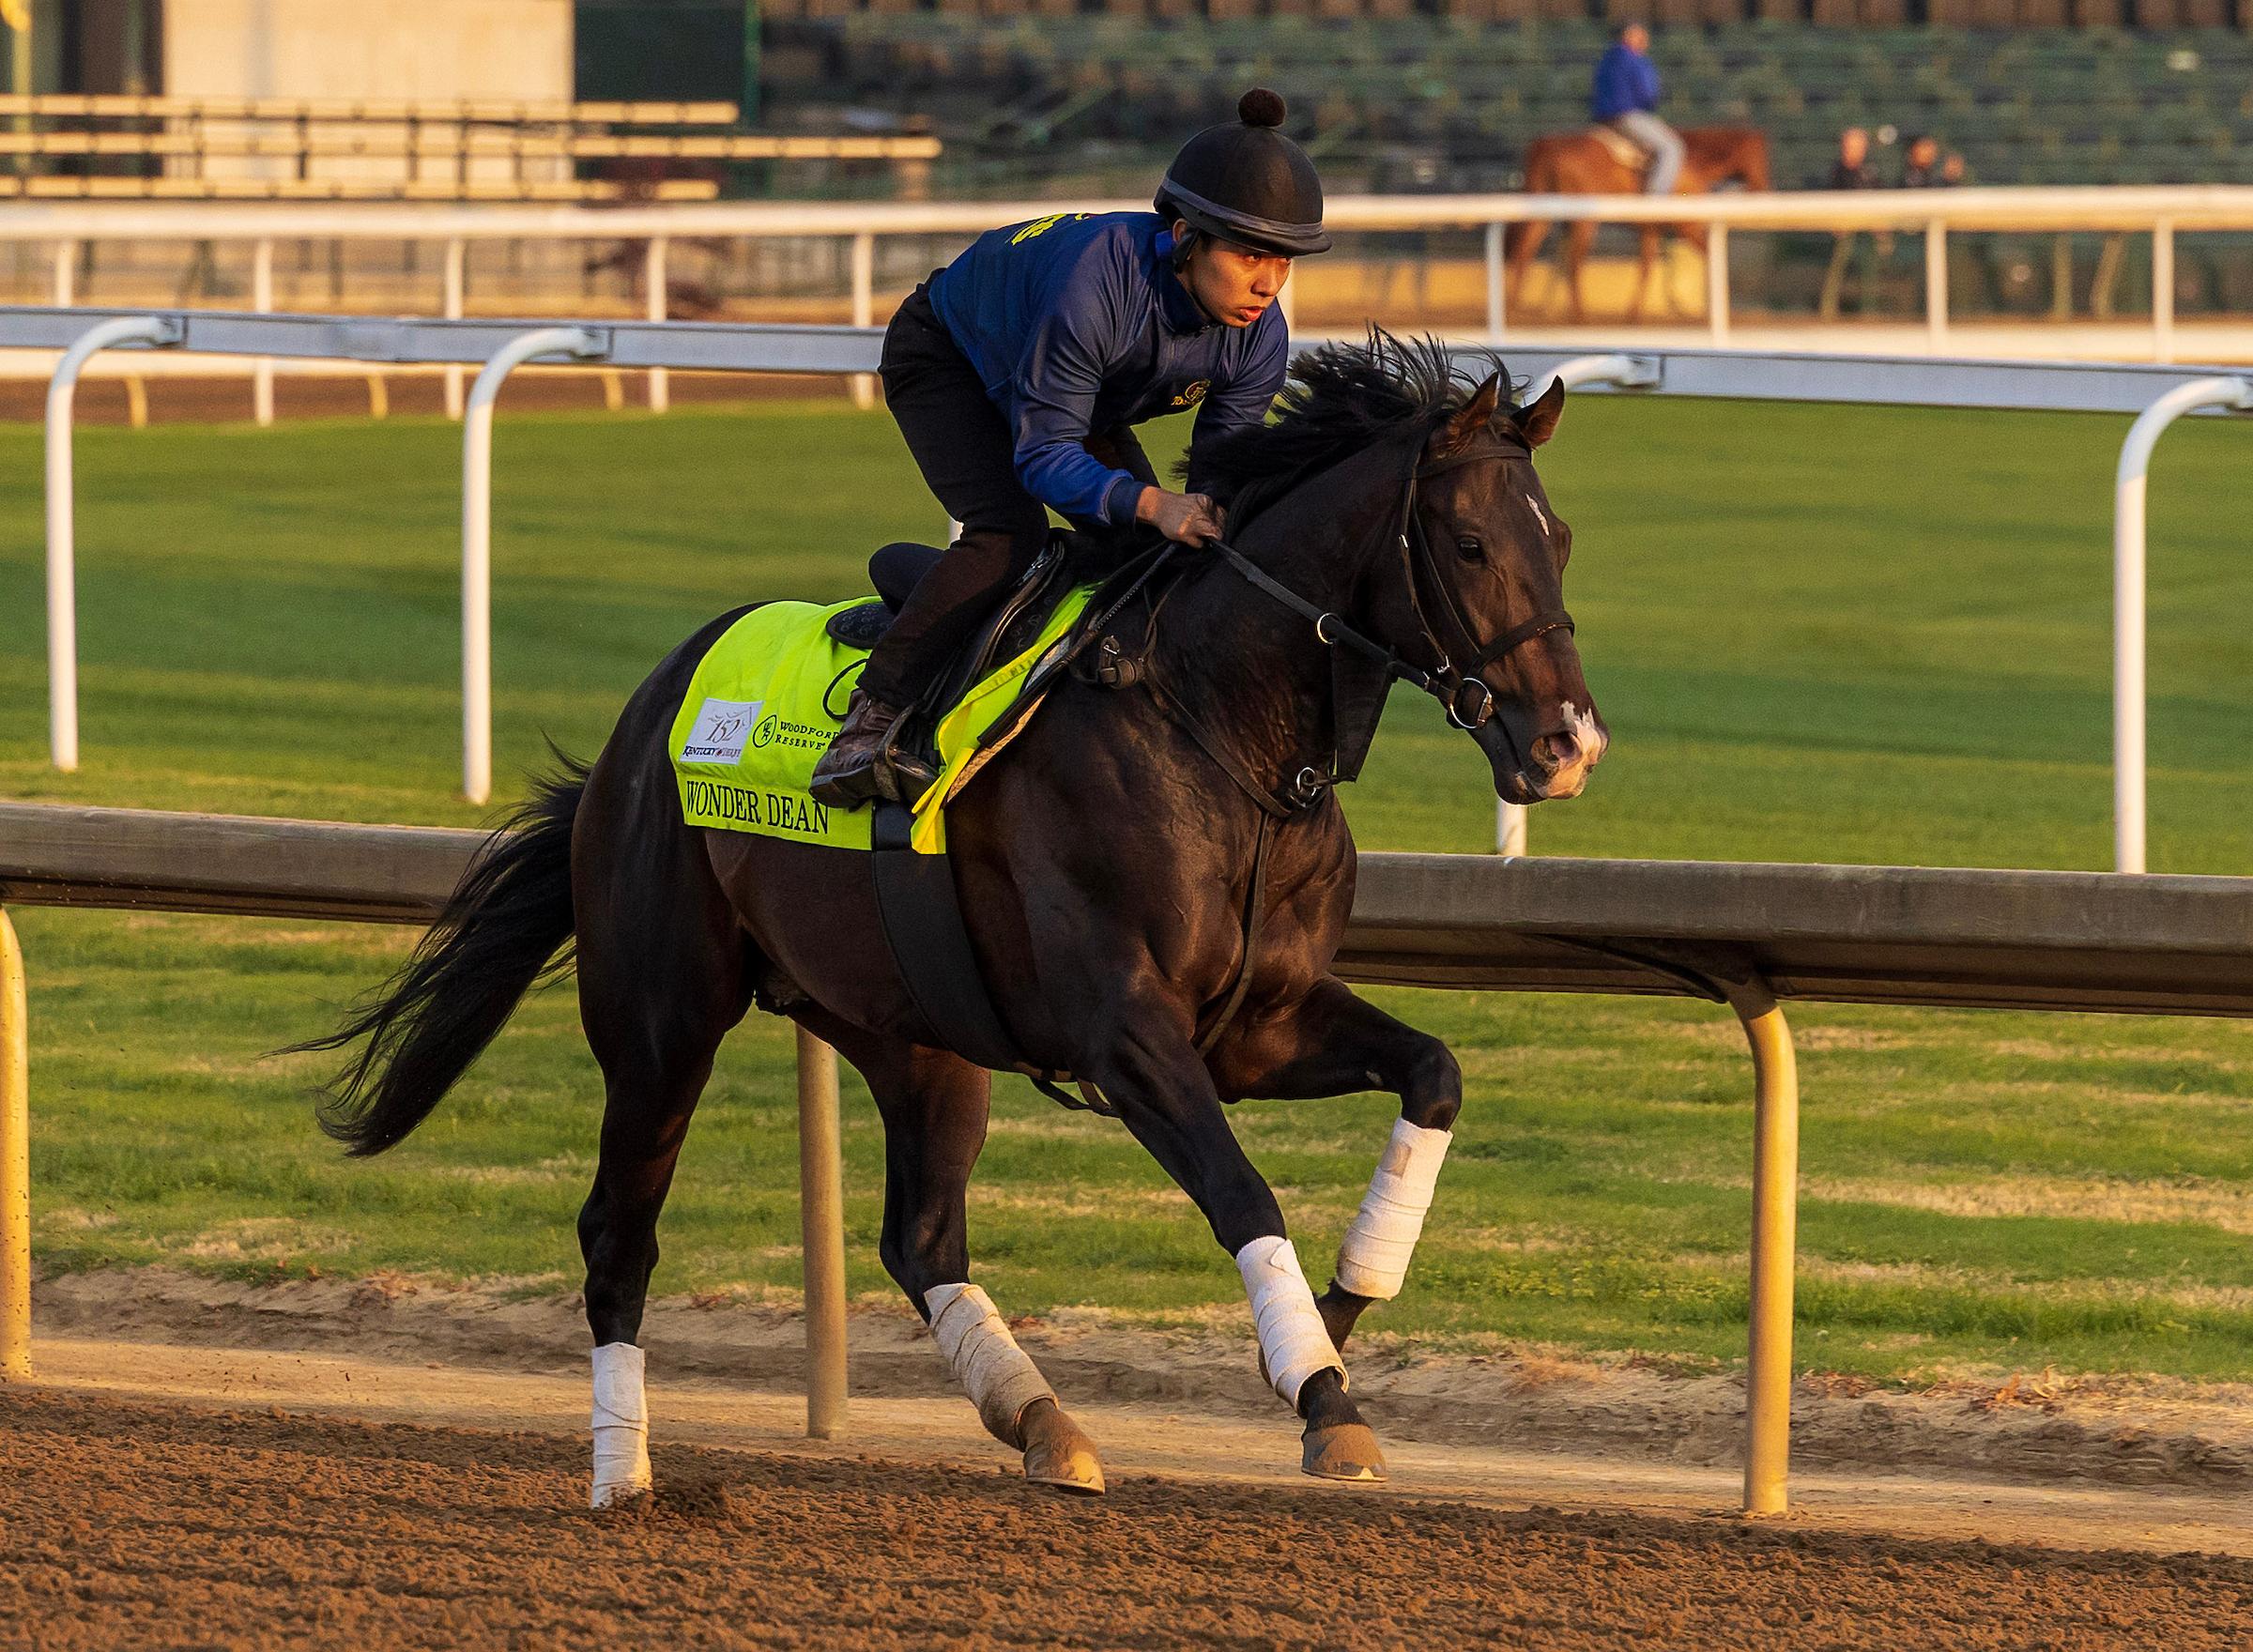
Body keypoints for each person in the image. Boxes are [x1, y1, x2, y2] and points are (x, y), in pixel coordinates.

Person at [809, 88, 1330, 808]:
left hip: (1068, 388)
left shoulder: (1260, 335)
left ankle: (950, 611)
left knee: (1156, 553)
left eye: (1284, 261)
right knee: (1007, 536)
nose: (1268, 284)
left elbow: (1220, 473)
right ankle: (873, 714)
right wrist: (1151, 502)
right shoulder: (1096, 284)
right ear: (1185, 237)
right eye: (1248, 255)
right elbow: (1043, 456)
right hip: (950, 359)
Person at [1589, 23, 1685, 197]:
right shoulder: (1633, 60)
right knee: (1671, 148)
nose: (1644, 41)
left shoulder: (1607, 58)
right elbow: (1646, 93)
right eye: (1640, 36)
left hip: (1604, 117)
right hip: (1627, 116)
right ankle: (1657, 198)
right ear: (1628, 36)